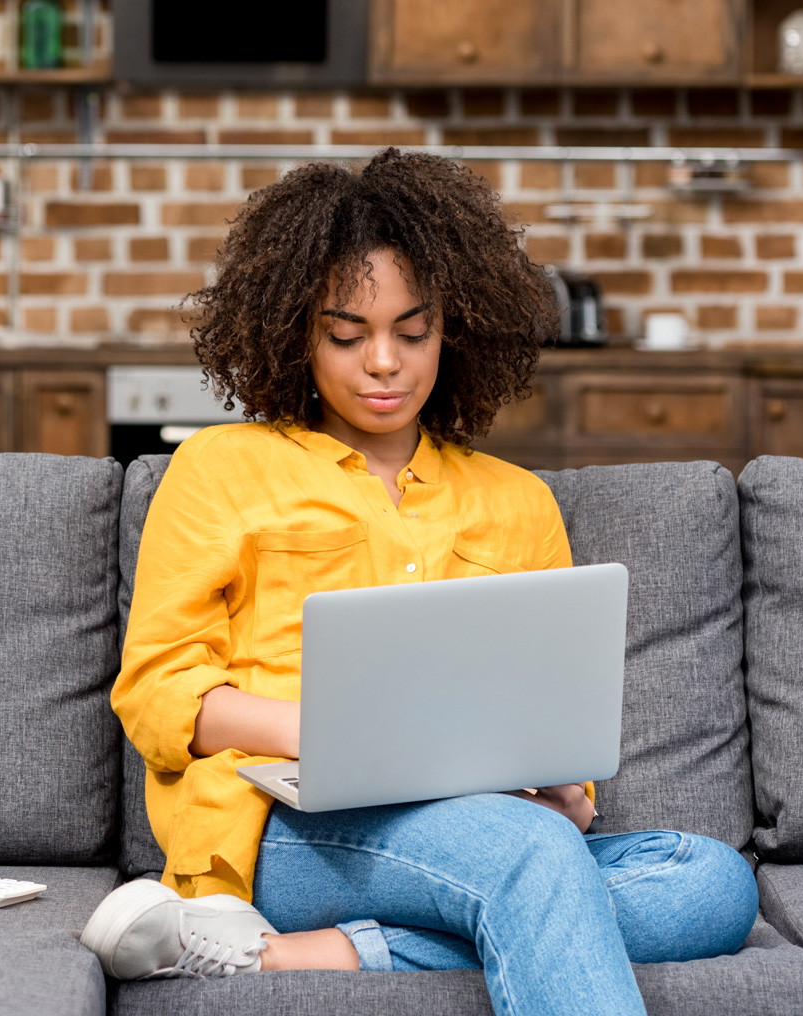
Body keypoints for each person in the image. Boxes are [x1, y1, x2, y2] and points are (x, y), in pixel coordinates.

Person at [79, 149, 759, 1016]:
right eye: (347, 334)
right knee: (531, 862)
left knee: (710, 883)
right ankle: (384, 911)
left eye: (413, 330)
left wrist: (559, 793)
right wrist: (332, 734)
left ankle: (292, 959)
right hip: (287, 827)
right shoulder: (221, 467)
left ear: (455, 328)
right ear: (296, 330)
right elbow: (158, 692)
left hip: (484, 826)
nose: (384, 364)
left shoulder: (517, 501)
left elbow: (558, 734)